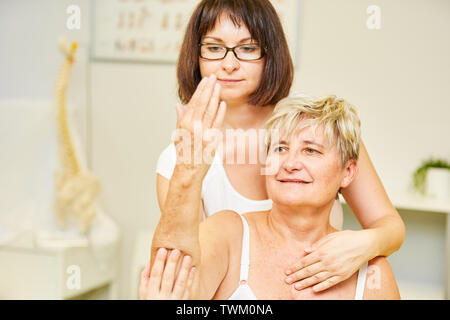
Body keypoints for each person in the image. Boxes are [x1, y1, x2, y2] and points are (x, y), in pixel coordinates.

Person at [154, 0, 405, 292]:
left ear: (269, 54)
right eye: (213, 48)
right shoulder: (180, 159)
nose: (229, 63)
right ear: (195, 56)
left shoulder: (320, 129)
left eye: (248, 48)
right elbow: (189, 275)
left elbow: (390, 227)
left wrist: (362, 244)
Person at [149, 95, 400, 299]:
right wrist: (187, 171)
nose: (290, 163)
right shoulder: (226, 233)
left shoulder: (373, 275)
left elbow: (391, 226)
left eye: (310, 150)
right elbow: (173, 293)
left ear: (348, 172)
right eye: (280, 148)